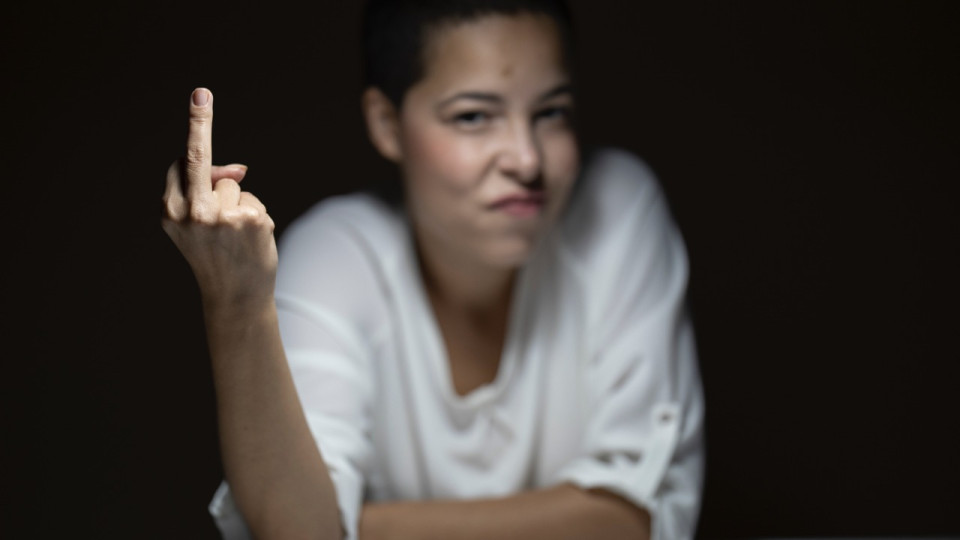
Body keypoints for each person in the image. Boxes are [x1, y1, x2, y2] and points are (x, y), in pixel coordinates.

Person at [161, 1, 704, 538]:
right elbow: (297, 530)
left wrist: (357, 529)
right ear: (386, 123)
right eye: (473, 116)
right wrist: (237, 303)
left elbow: (626, 521)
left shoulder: (616, 206)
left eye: (551, 112)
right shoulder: (336, 255)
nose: (527, 159)